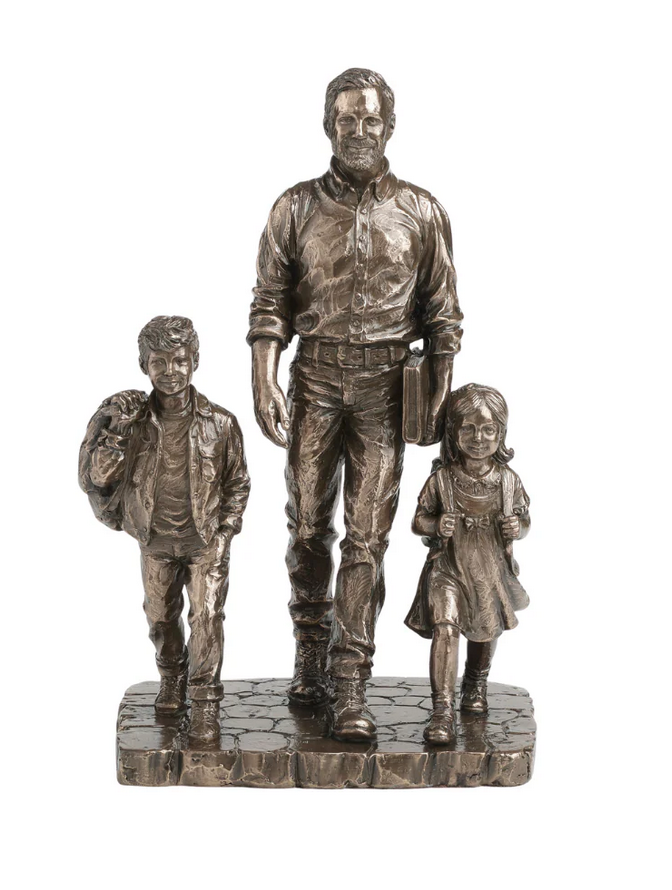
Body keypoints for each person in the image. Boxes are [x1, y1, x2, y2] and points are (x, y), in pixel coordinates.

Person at [249, 68, 463, 740]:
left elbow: (443, 316)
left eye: (371, 119)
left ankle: (351, 683)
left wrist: (437, 399)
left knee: (367, 538)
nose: (360, 131)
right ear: (328, 125)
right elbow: (269, 301)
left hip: (384, 390)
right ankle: (310, 652)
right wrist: (263, 377)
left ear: (389, 127)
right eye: (348, 119)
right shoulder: (294, 208)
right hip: (314, 382)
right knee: (307, 527)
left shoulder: (422, 212)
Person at [79, 316, 250, 743]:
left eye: (179, 360)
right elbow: (99, 477)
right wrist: (118, 432)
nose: (170, 371)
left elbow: (238, 482)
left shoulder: (221, 423)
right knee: (160, 618)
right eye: (159, 362)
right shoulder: (132, 424)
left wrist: (225, 532)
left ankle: (205, 700)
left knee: (207, 617)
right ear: (144, 365)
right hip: (155, 541)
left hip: (204, 541)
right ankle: (173, 676)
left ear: (195, 361)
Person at [405, 384, 530, 745]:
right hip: (448, 569)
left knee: (485, 628)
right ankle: (442, 710)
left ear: (501, 434)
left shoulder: (507, 481)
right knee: (446, 628)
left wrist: (517, 527)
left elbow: (525, 519)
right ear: (453, 433)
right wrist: (434, 525)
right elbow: (419, 520)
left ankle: (475, 682)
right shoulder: (442, 480)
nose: (478, 438)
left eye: (488, 429)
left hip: (488, 569)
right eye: (469, 429)